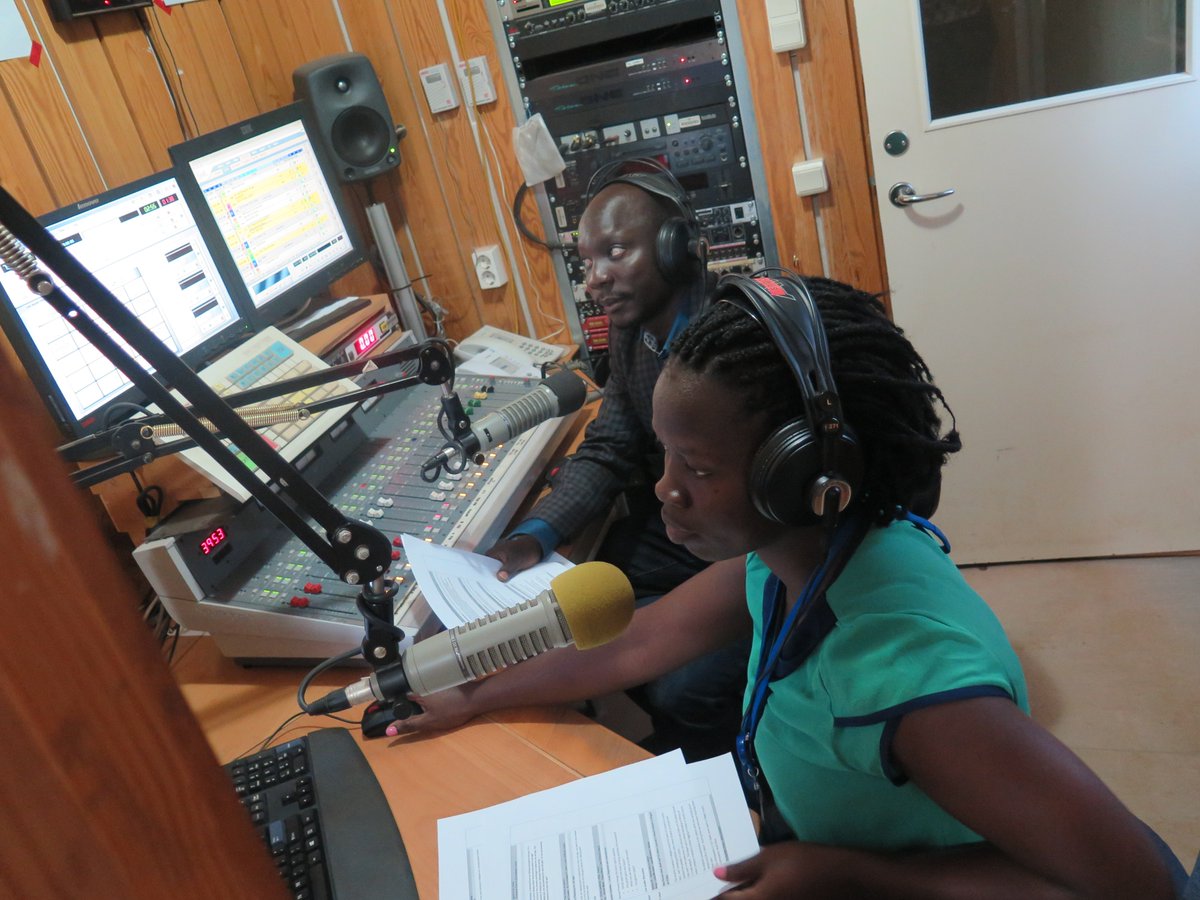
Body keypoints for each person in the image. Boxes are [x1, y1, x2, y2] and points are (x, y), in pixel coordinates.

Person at [391, 269, 1185, 897]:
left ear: (802, 476)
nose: (665, 489)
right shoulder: (790, 557)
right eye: (666, 455)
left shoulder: (900, 677)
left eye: (698, 468)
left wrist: (854, 876)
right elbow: (642, 640)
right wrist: (471, 692)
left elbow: (1140, 886)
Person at [484, 157, 749, 760]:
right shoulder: (633, 333)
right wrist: (533, 535)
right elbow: (610, 444)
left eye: (616, 252)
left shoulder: (734, 337)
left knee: (683, 687)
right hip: (684, 529)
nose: (596, 280)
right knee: (578, 602)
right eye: (587, 262)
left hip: (748, 542)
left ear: (676, 248)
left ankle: (725, 759)